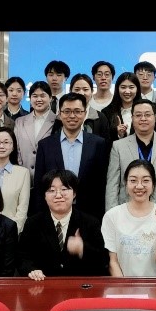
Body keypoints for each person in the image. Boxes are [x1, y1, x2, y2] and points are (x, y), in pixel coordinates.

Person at [18, 169, 108, 278]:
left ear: (74, 193)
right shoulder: (33, 223)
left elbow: (103, 261)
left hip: (79, 285)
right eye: (52, 190)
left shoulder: (90, 223)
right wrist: (32, 270)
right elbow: (23, 257)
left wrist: (82, 248)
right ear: (45, 196)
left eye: (64, 189)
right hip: (43, 284)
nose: (58, 195)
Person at [106, 99, 156, 224]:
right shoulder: (118, 146)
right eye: (138, 115)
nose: (143, 118)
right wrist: (112, 217)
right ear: (132, 118)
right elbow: (112, 185)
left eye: (147, 115)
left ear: (155, 117)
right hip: (127, 214)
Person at [33, 92, 108, 220]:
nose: (72, 116)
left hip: (89, 213)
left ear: (85, 114)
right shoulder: (45, 145)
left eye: (77, 111)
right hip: (53, 213)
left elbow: (101, 183)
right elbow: (40, 184)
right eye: (67, 111)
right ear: (59, 114)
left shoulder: (98, 144)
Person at [101, 159, 156, 277]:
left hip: (154, 284)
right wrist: (125, 286)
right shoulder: (112, 215)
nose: (139, 186)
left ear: (153, 184)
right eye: (133, 180)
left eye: (146, 180)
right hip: (122, 284)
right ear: (126, 184)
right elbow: (112, 261)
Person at [13, 81, 56, 198]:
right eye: (35, 96)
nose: (38, 99)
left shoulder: (58, 121)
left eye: (43, 96)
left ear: (50, 98)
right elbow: (16, 150)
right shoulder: (20, 122)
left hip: (49, 181)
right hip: (24, 180)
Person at [0, 126, 30, 233]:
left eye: (6, 142)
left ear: (13, 146)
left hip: (12, 231)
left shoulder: (23, 173)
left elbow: (22, 208)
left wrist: (13, 231)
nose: (1, 146)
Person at [101, 72, 141, 149]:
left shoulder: (146, 110)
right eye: (123, 87)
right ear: (117, 89)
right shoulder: (107, 112)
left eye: (131, 87)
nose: (127, 91)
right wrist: (118, 134)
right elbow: (104, 141)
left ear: (137, 89)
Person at [65, 72, 110, 137]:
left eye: (85, 89)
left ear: (92, 92)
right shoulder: (62, 116)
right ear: (70, 91)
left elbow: (106, 141)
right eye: (77, 89)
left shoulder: (101, 118)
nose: (81, 93)